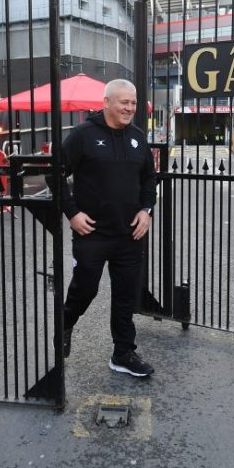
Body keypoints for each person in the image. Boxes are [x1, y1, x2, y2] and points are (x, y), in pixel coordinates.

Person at [59, 79, 157, 378]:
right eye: (123, 102)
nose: (130, 108)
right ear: (106, 102)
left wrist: (146, 210)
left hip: (130, 235)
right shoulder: (82, 135)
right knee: (85, 289)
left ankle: (123, 353)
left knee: (126, 295)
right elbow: (54, 174)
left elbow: (149, 180)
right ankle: (64, 324)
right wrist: (72, 214)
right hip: (92, 234)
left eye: (133, 103)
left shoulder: (139, 138)